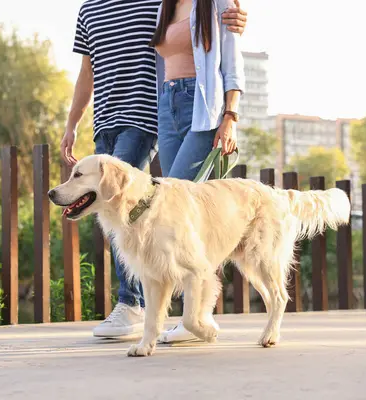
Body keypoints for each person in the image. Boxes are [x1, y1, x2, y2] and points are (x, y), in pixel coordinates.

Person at [61, 0, 247, 339]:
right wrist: (72, 123)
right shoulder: (155, 6)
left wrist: (231, 117)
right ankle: (188, 314)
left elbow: (227, 49)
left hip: (174, 110)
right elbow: (91, 68)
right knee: (173, 216)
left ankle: (168, 311)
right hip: (149, 109)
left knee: (162, 207)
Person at [151, 0, 245, 343]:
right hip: (167, 104)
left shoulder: (218, 2)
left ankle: (197, 316)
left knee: (171, 208)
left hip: (203, 106)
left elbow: (233, 64)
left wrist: (230, 118)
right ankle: (196, 317)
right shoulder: (163, 5)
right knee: (186, 218)